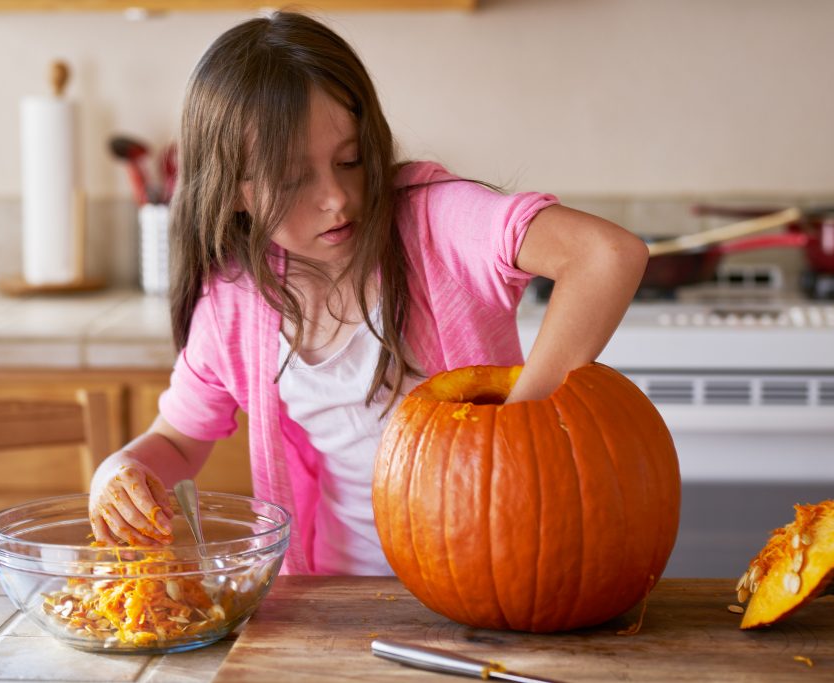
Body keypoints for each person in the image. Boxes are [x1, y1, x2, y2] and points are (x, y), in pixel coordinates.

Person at [88, 11, 649, 575]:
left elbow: (607, 255)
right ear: (234, 191)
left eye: (350, 160)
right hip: (339, 594)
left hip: (494, 576)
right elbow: (180, 444)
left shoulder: (437, 222)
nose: (337, 197)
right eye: (292, 177)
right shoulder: (234, 301)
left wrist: (516, 430)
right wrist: (119, 471)